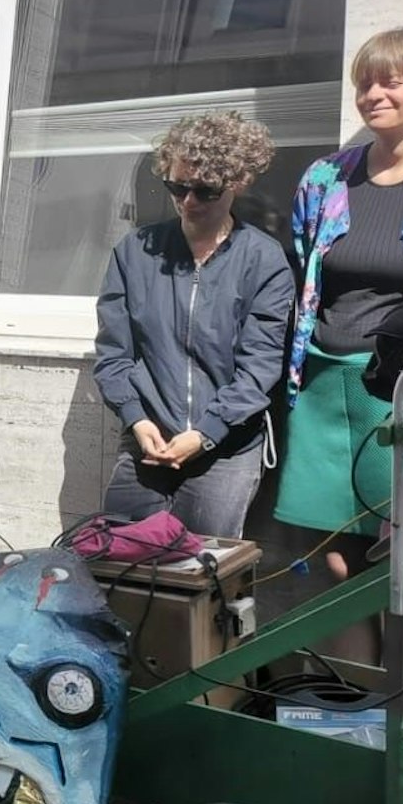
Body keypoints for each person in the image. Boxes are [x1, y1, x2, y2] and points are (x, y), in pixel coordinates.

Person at [278, 26, 403, 663]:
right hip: (320, 385)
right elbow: (301, 268)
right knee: (327, 554)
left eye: (391, 78)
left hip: (402, 395)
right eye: (364, 81)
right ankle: (356, 718)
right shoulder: (325, 177)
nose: (373, 92)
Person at [92, 112, 294, 539]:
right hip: (148, 436)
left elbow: (260, 368)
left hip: (227, 446)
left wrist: (207, 432)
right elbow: (113, 353)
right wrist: (137, 419)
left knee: (204, 574)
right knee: (121, 563)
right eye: (177, 187)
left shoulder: (264, 260)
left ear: (236, 182)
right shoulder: (136, 252)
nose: (188, 202)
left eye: (205, 191)